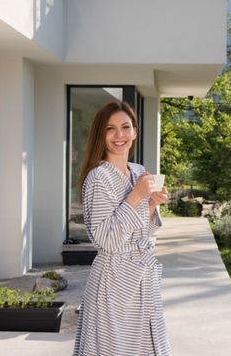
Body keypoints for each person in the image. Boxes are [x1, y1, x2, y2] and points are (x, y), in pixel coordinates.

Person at [73, 101, 172, 356]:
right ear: (100, 134)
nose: (120, 135)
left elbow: (141, 233)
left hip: (142, 278)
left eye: (126, 127)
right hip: (114, 282)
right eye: (111, 129)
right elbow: (106, 240)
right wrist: (136, 197)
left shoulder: (138, 171)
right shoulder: (98, 177)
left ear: (135, 132)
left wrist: (150, 205)